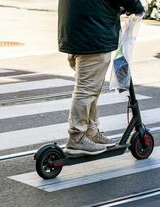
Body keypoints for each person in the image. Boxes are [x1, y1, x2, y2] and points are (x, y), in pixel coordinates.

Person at [58, 0, 145, 155]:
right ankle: (77, 137)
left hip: (74, 29)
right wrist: (135, 7)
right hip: (93, 32)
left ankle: (90, 132)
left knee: (90, 87)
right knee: (86, 90)